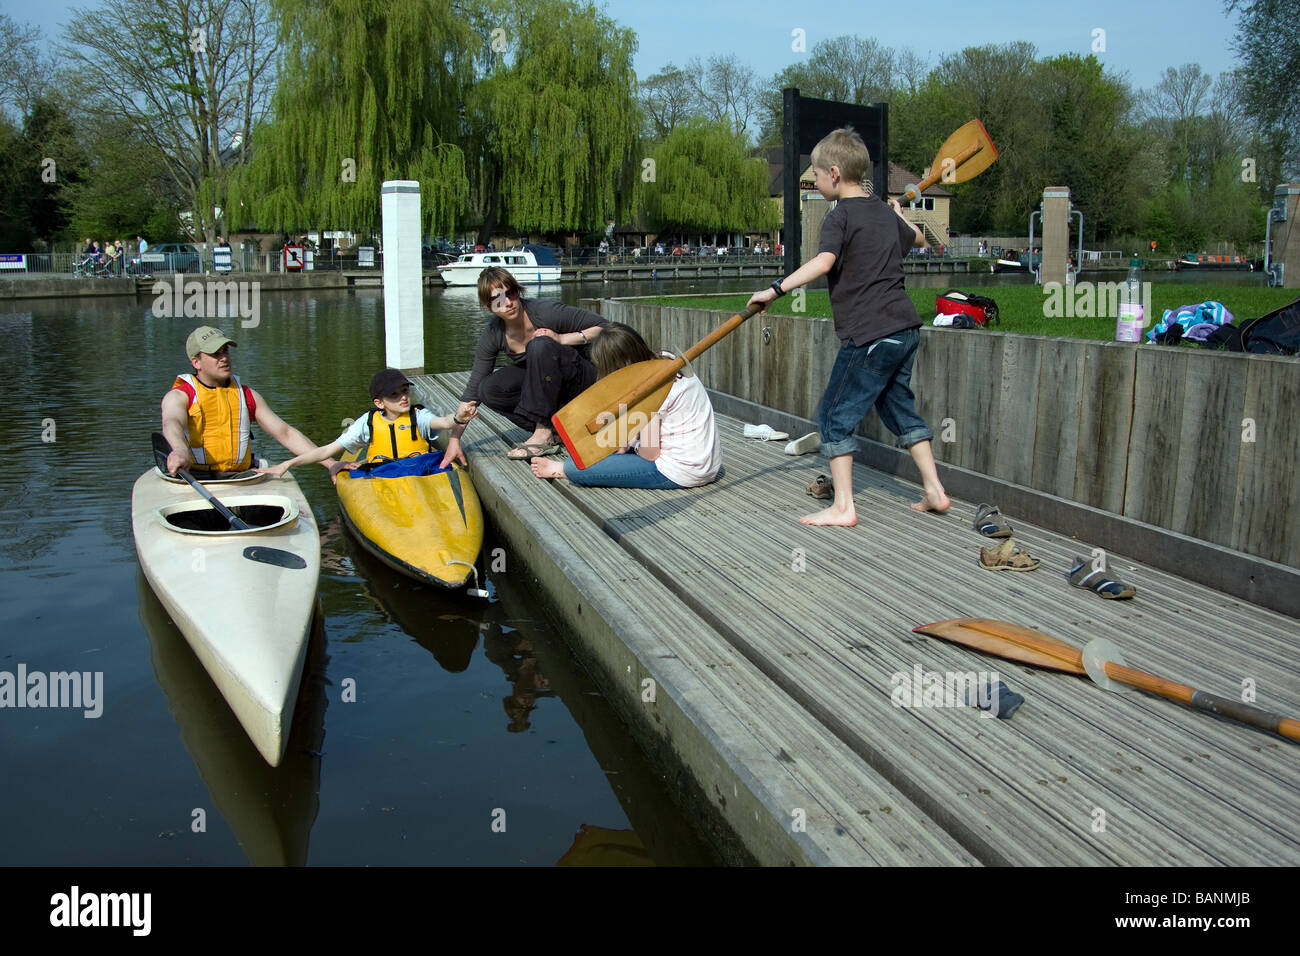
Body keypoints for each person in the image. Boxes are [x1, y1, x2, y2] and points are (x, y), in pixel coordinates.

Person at [747, 126, 950, 526]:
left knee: (833, 416)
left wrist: (775, 289)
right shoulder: (881, 213)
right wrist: (896, 214)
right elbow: (921, 241)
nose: (816, 182)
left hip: (870, 334)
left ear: (835, 174)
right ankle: (935, 491)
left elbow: (824, 263)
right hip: (905, 330)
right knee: (898, 407)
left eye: (817, 176)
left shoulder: (838, 216)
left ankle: (843, 507)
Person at [528, 323, 720, 489]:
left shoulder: (651, 389)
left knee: (575, 466)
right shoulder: (666, 361)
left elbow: (650, 454)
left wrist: (633, 445)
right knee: (612, 446)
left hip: (680, 471)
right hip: (707, 463)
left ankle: (559, 470)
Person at [447, 266, 607, 462]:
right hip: (550, 390)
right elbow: (471, 394)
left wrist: (562, 338)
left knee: (539, 345)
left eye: (511, 293)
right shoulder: (493, 334)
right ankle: (556, 431)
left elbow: (608, 328)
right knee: (488, 389)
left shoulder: (545, 312)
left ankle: (542, 433)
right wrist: (454, 440)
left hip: (585, 381)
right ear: (489, 307)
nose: (507, 302)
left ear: (518, 291)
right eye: (497, 299)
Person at [160, 325, 348, 480]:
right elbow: (172, 423)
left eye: (225, 351)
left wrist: (331, 463)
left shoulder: (248, 395)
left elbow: (286, 433)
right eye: (215, 354)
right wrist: (179, 450)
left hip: (241, 478)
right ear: (196, 363)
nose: (224, 358)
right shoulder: (179, 396)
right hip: (195, 478)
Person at [256, 368, 473, 478]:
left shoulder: (419, 416)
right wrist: (288, 464)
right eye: (394, 395)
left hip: (420, 471)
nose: (403, 398)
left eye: (405, 391)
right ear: (379, 403)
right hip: (384, 474)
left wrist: (457, 418)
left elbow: (443, 422)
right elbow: (327, 450)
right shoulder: (366, 423)